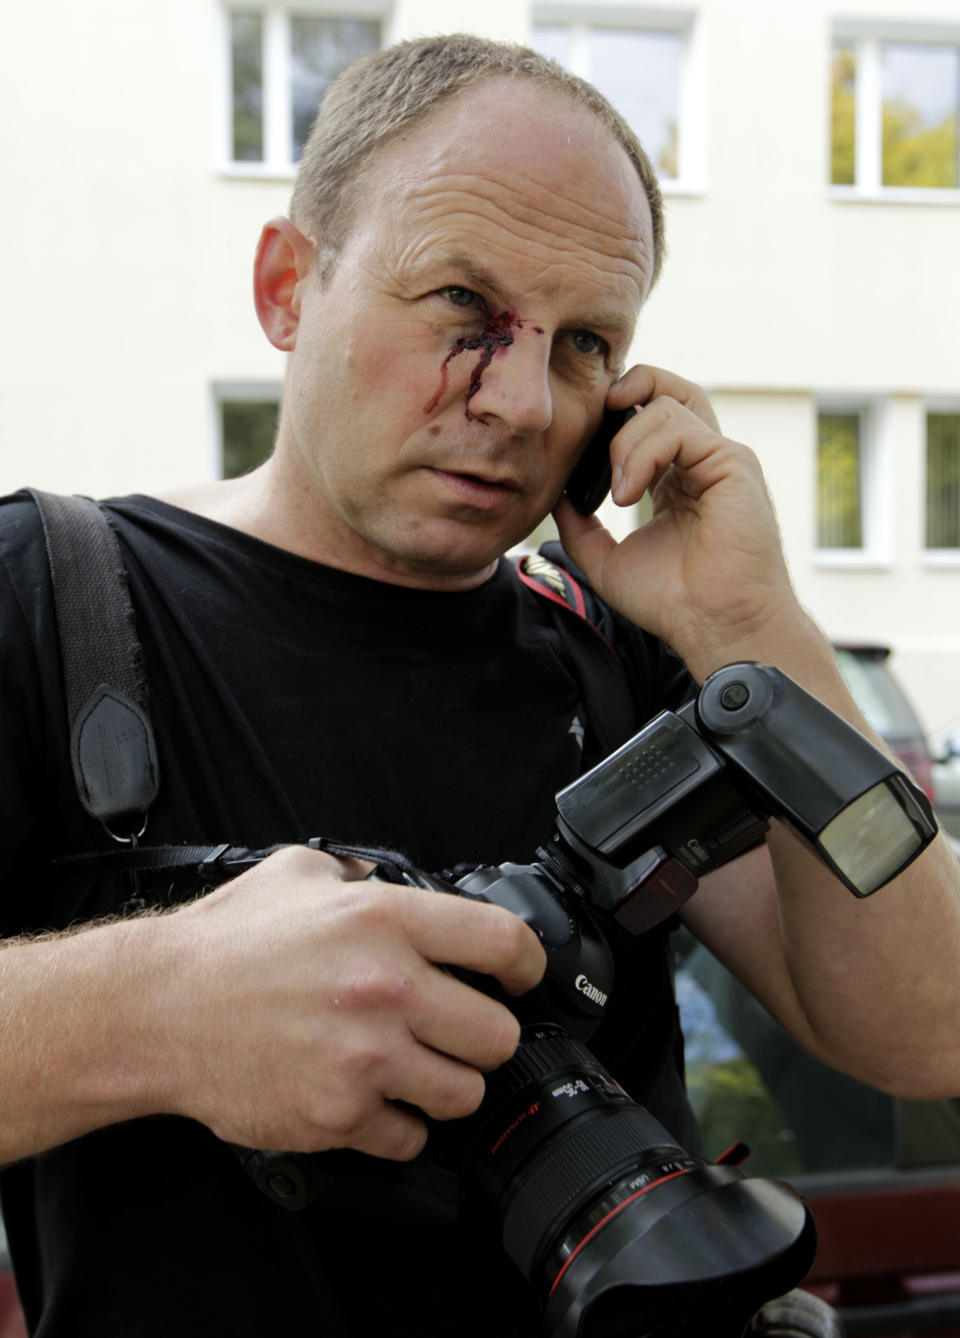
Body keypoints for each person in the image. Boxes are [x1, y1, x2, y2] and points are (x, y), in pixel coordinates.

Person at [0, 31, 958, 1337]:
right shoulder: (48, 598)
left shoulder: (629, 646)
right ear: (288, 287)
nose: (518, 401)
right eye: (464, 308)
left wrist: (749, 620)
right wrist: (166, 1004)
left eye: (581, 345)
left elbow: (926, 1032)